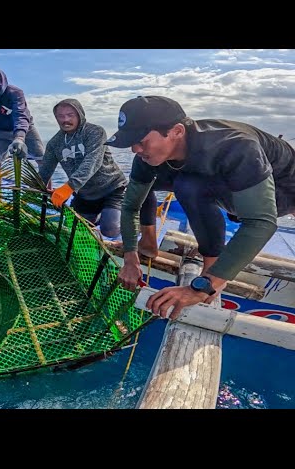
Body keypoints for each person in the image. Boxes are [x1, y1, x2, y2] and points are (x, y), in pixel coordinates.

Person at [105, 95, 295, 319]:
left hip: (284, 187)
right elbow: (130, 206)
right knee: (163, 184)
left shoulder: (235, 146)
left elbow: (261, 223)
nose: (135, 149)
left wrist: (204, 285)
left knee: (188, 185)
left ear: (177, 131)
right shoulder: (146, 158)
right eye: (130, 142)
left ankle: (211, 275)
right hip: (226, 182)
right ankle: (191, 258)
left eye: (141, 141)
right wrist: (130, 258)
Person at [38, 98, 128, 238]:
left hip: (111, 189)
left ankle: (128, 218)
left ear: (80, 114)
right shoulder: (54, 143)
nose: (65, 120)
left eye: (70, 115)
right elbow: (45, 171)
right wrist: (32, 190)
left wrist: (69, 187)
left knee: (110, 230)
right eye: (60, 116)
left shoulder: (95, 132)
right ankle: (98, 218)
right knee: (74, 232)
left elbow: (92, 162)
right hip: (85, 194)